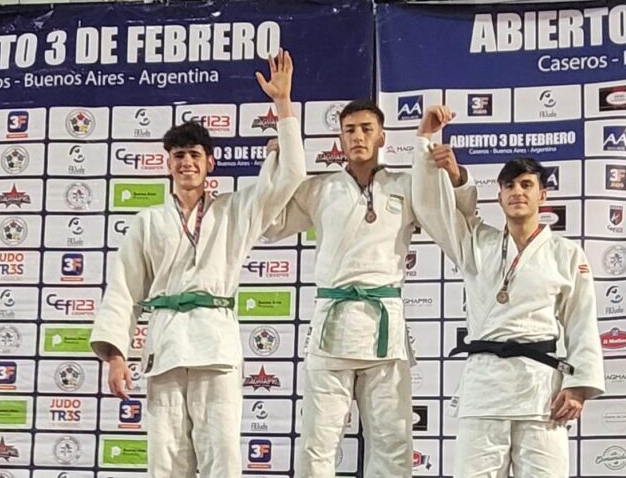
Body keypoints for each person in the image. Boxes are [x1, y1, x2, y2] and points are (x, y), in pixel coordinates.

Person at [89, 49, 305, 478]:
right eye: (178, 156)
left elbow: (291, 175)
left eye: (194, 155)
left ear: (211, 163)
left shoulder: (236, 210)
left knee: (221, 459)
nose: (186, 163)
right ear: (168, 164)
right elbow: (124, 290)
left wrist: (283, 106)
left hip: (215, 348)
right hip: (165, 347)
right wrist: (115, 355)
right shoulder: (148, 221)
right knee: (165, 463)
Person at [411, 106, 605, 478]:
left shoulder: (566, 253)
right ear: (498, 195)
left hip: (540, 393)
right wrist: (425, 142)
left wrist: (578, 385)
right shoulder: (476, 244)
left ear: (542, 194)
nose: (517, 192)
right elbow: (432, 207)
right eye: (509, 185)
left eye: (526, 184)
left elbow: (582, 322)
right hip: (484, 391)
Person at [262, 99, 420, 477]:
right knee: (319, 441)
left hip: (384, 329)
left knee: (393, 441)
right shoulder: (320, 189)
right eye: (350, 130)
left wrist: (456, 177)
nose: (358, 136)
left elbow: (453, 219)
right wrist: (274, 164)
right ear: (340, 138)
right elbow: (270, 225)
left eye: (366, 128)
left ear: (382, 136)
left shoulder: (407, 186)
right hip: (333, 326)